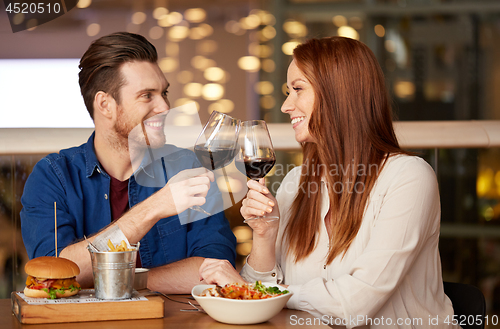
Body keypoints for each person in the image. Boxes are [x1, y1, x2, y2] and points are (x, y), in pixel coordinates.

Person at [199, 37, 458, 328]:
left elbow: (356, 303)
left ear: (339, 95)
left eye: (298, 89)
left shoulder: (408, 178)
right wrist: (265, 235)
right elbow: (256, 298)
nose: (286, 106)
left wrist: (258, 294)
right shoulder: (297, 183)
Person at [20, 32, 236, 294]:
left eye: (164, 93)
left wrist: (118, 280)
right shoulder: (53, 176)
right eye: (147, 95)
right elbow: (55, 274)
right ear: (105, 104)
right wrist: (155, 207)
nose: (164, 107)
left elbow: (216, 267)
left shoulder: (187, 168)